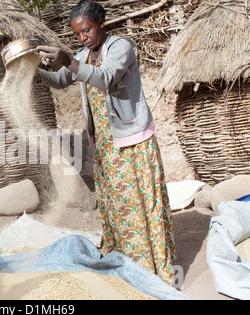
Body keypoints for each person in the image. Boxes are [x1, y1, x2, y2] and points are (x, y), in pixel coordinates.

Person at [37, 0, 176, 285]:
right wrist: (32, 70)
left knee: (137, 204)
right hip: (104, 142)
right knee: (115, 204)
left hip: (131, 140)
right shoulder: (84, 54)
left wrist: (69, 59)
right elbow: (61, 79)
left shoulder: (121, 47)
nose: (82, 38)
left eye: (86, 30)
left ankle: (149, 268)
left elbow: (105, 78)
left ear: (101, 22)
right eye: (76, 34)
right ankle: (123, 260)